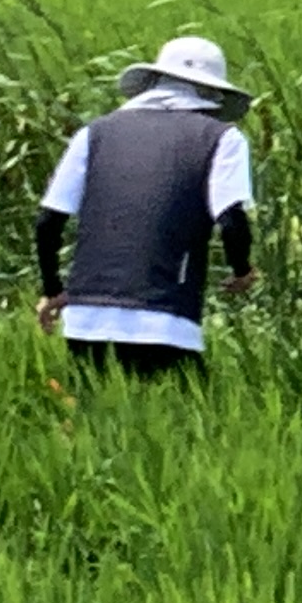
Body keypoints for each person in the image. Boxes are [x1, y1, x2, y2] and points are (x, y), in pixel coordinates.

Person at [34, 32, 259, 378]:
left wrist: (53, 290)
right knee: (190, 422)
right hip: (165, 318)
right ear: (213, 93)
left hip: (85, 318)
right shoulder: (221, 137)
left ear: (154, 80)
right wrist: (242, 271)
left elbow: (48, 221)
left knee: (94, 420)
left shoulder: (94, 133)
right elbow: (231, 221)